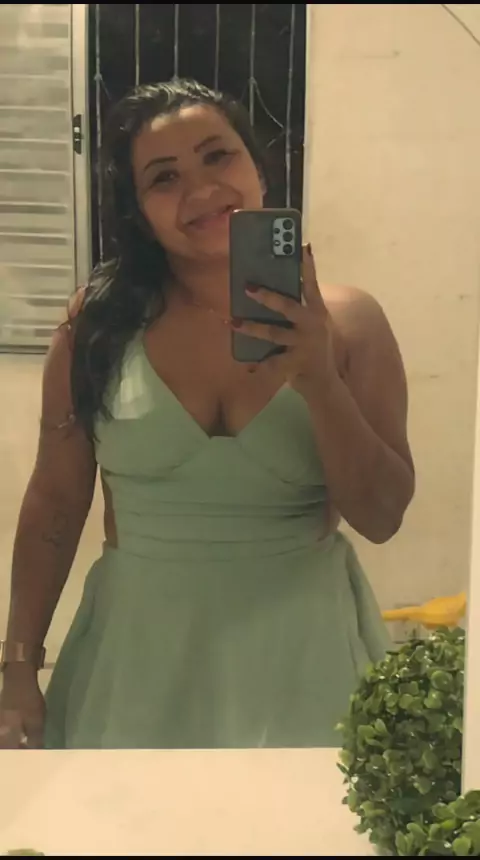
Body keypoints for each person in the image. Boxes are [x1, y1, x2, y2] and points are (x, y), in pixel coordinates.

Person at [0, 78, 415, 750]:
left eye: (218, 156)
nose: (200, 190)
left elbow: (383, 516)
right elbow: (54, 501)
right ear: (139, 209)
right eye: (164, 177)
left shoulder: (351, 324)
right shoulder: (98, 324)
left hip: (304, 655)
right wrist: (19, 666)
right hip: (136, 655)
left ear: (259, 167)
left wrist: (319, 381)